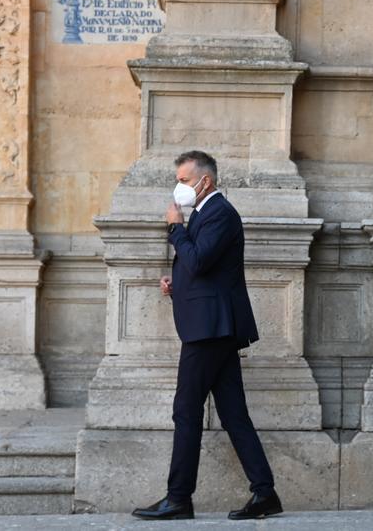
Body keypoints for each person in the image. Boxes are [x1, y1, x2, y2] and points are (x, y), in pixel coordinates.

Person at [132, 151, 283, 522]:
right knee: (234, 414)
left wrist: (174, 228)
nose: (179, 187)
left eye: (184, 180)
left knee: (185, 411)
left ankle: (179, 498)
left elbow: (198, 259)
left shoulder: (220, 213)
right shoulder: (207, 213)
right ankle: (265, 493)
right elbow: (201, 270)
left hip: (210, 330)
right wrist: (176, 284)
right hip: (211, 325)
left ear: (205, 182)